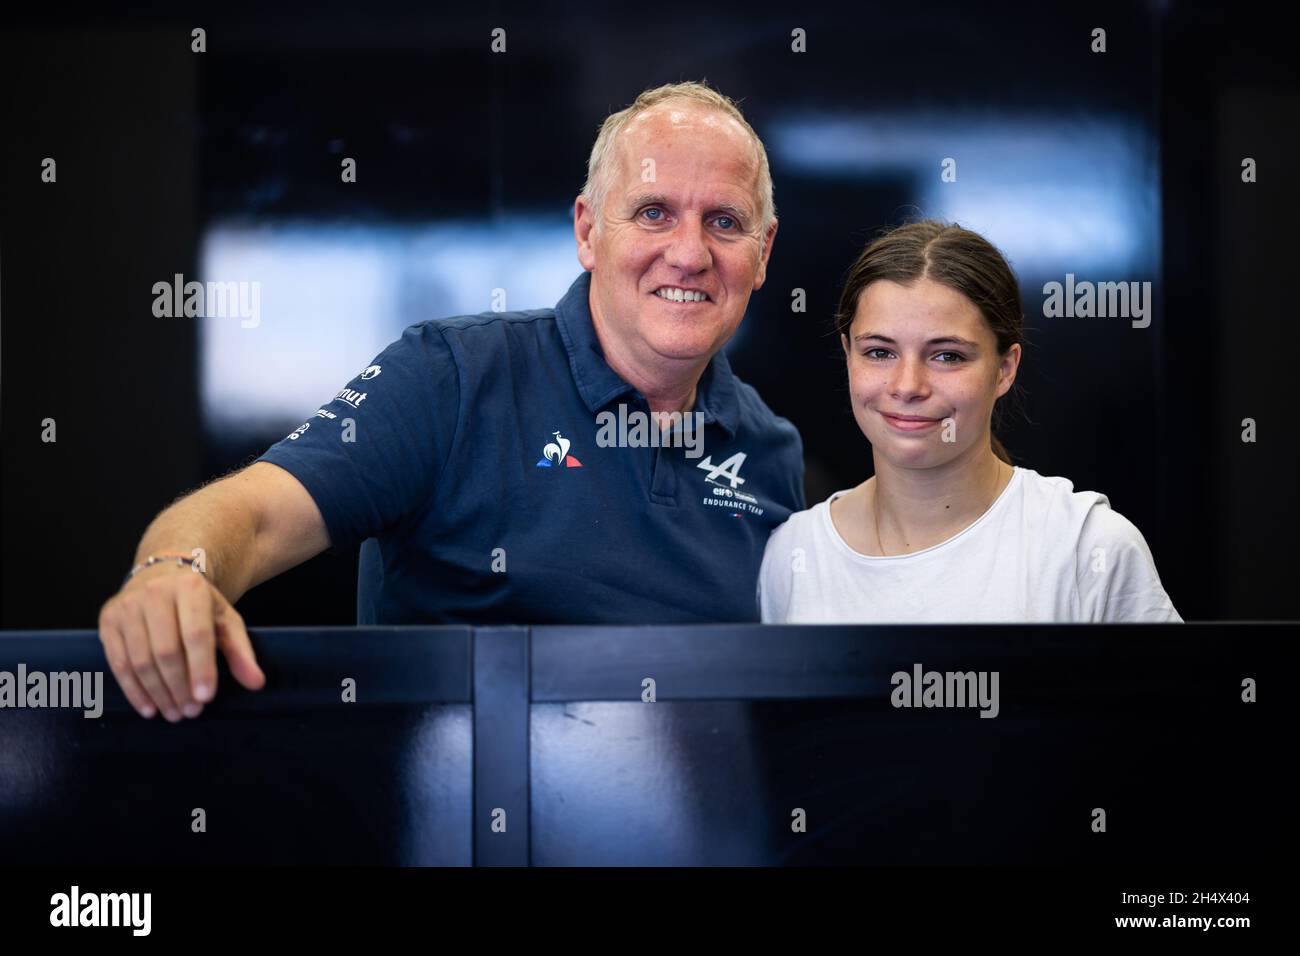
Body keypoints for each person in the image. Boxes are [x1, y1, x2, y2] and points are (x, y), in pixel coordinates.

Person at [98, 81, 805, 722]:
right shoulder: (452, 377)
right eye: (653, 213)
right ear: (588, 231)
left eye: (724, 222)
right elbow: (251, 516)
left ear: (764, 251)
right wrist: (171, 573)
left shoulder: (772, 452)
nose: (688, 254)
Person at [758, 220, 1181, 624]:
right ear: (847, 353)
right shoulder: (792, 555)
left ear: (1005, 368)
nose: (907, 386)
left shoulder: (1084, 546)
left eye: (948, 356)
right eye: (880, 352)